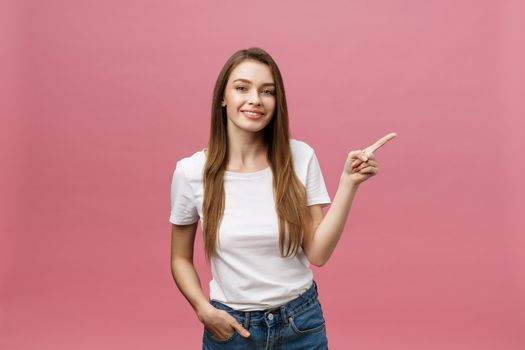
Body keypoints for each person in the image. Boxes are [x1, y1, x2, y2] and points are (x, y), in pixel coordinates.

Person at [169, 47, 396, 349]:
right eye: (241, 88)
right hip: (232, 329)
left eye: (267, 91)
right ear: (222, 97)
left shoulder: (300, 157)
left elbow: (318, 253)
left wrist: (349, 183)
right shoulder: (191, 172)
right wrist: (203, 310)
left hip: (300, 325)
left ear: (277, 102)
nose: (255, 100)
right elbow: (179, 259)